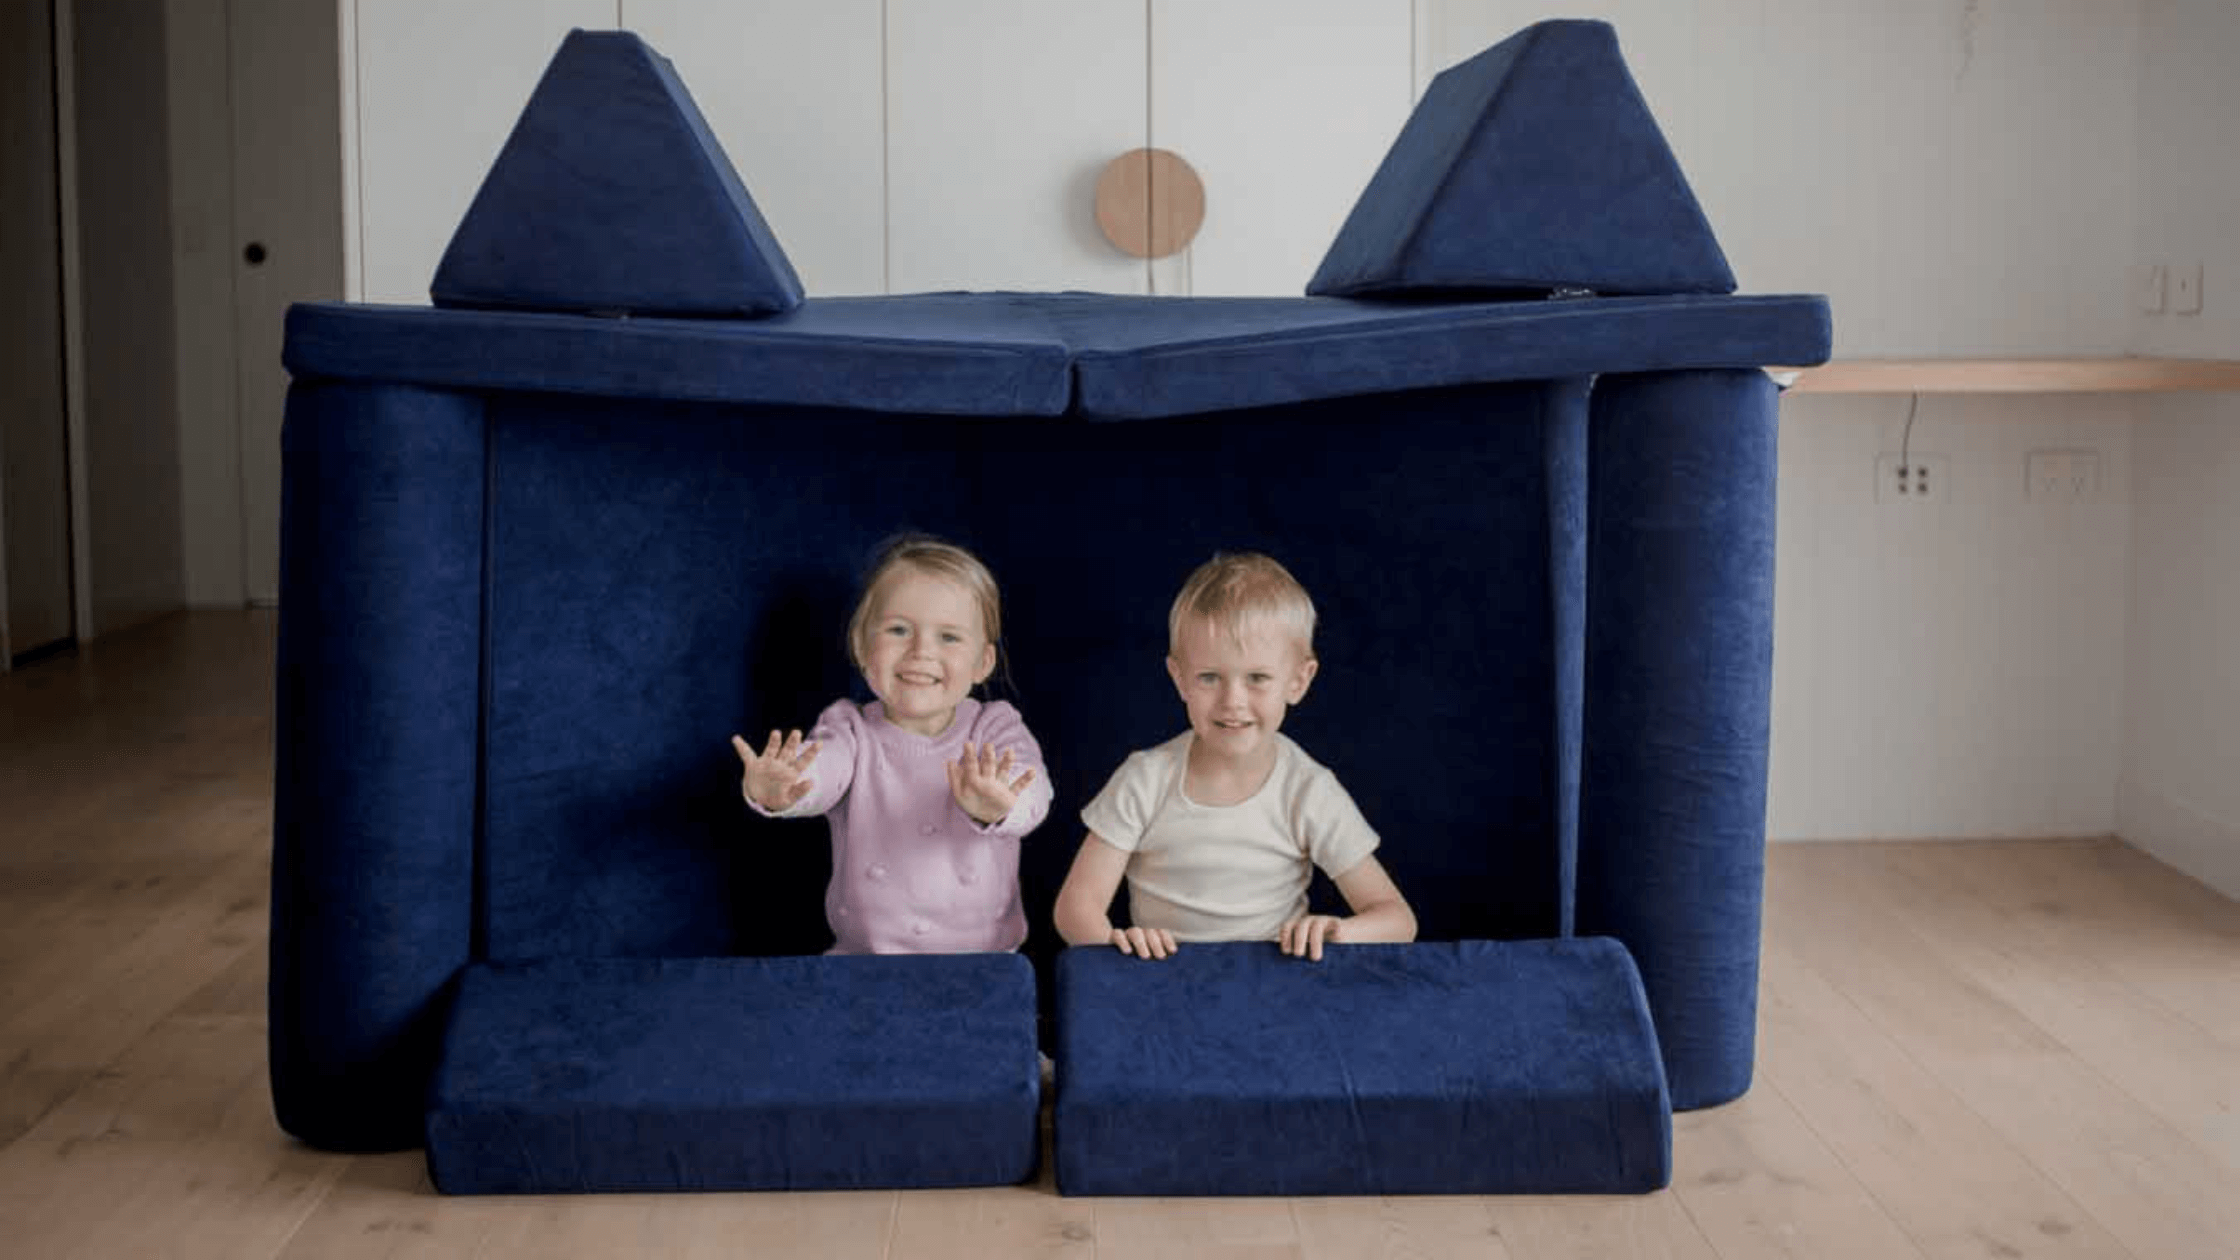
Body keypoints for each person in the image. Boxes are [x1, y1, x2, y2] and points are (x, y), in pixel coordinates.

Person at [1053, 551, 1415, 961]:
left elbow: (1398, 921)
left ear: (1298, 681)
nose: (1232, 702)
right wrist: (1121, 950)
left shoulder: (1309, 789)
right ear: (1179, 679)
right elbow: (1075, 909)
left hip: (1273, 989)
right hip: (1163, 984)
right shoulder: (1145, 779)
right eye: (1209, 677)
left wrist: (1339, 931)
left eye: (1257, 678)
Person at [734, 536, 1051, 954]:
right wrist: (785, 788)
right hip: (863, 960)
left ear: (982, 663)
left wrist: (1001, 804)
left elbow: (1033, 789)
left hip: (986, 963)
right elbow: (821, 769)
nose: (921, 651)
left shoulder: (994, 727)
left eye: (949, 638)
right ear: (864, 648)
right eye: (899, 630)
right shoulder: (849, 730)